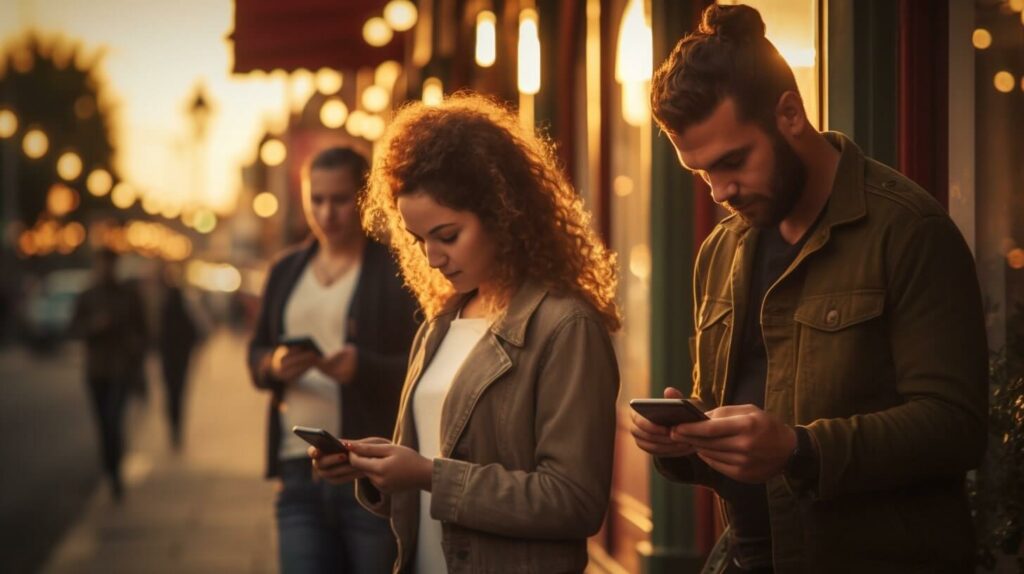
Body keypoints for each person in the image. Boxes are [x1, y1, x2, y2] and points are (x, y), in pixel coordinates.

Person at [629, 4, 988, 573]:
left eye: (733, 162)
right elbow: (730, 418)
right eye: (700, 173)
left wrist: (800, 448)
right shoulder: (720, 250)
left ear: (790, 113)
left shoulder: (907, 230)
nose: (720, 191)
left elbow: (956, 428)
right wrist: (687, 443)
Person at [309, 94, 621, 573]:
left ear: (503, 214)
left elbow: (573, 499)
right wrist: (371, 469)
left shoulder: (564, 327)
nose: (432, 258)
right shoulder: (441, 323)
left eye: (447, 235)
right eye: (419, 240)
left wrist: (429, 475)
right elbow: (422, 477)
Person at [248, 146, 419, 574]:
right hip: (298, 469)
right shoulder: (286, 269)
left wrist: (361, 367)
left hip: (367, 473)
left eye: (339, 199)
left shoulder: (395, 270)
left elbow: (421, 368)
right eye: (316, 200)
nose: (327, 213)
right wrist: (273, 364)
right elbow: (256, 352)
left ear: (362, 198)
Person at [70, 248, 148, 501]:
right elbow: (73, 328)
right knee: (103, 424)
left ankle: (115, 474)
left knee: (114, 421)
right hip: (96, 370)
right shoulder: (88, 295)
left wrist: (136, 354)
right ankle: (109, 467)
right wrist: (94, 326)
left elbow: (143, 329)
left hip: (121, 368)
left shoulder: (127, 295)